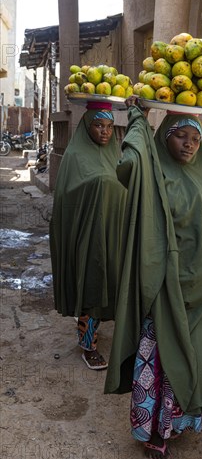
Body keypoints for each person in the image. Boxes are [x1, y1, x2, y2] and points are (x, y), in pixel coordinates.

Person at [105, 97, 202, 459]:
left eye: (195, 137)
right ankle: (154, 432)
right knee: (161, 358)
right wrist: (139, 119)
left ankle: (179, 422)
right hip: (167, 287)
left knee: (193, 356)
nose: (189, 144)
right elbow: (127, 165)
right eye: (179, 136)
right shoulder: (154, 177)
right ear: (163, 140)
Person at [50, 102, 127, 370]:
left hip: (111, 233)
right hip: (87, 236)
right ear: (86, 126)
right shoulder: (75, 156)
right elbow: (68, 197)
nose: (105, 132)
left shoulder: (113, 155)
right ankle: (88, 345)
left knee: (109, 282)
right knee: (91, 283)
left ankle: (92, 330)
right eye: (98, 125)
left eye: (109, 127)